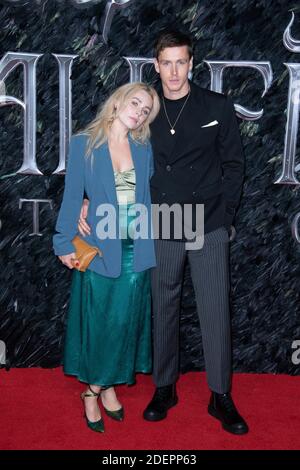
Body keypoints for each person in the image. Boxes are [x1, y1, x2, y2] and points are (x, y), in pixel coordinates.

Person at [78, 30, 249, 435]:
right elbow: (111, 149)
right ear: (156, 66)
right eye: (166, 63)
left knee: (214, 310)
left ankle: (220, 395)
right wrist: (89, 196)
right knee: (163, 308)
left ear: (192, 64)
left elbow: (235, 166)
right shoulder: (144, 110)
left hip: (207, 222)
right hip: (163, 220)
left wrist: (223, 217)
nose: (173, 71)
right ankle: (165, 388)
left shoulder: (217, 106)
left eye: (180, 62)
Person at [53, 82, 160, 433]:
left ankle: (104, 386)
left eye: (146, 110)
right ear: (117, 102)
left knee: (125, 322)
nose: (139, 112)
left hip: (137, 246)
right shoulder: (85, 143)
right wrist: (63, 242)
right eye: (135, 103)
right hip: (101, 247)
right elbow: (72, 198)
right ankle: (92, 392)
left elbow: (144, 196)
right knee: (102, 322)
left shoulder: (143, 147)